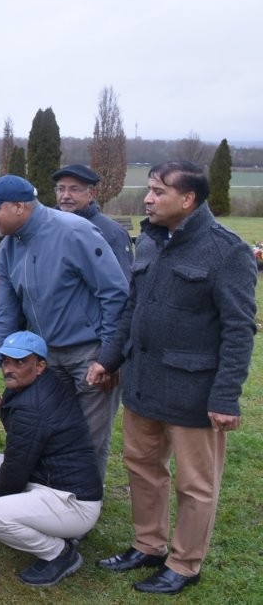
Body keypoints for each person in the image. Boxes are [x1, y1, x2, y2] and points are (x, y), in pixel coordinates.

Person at [87, 161, 256, 595]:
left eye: (158, 191)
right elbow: (133, 307)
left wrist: (225, 397)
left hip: (193, 392)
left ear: (188, 199)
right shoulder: (149, 241)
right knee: (142, 467)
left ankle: (184, 564)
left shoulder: (227, 252)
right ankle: (149, 545)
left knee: (195, 484)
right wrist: (109, 359)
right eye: (149, 189)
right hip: (142, 384)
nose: (148, 198)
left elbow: (239, 330)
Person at [0, 175, 128, 485]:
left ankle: (83, 503)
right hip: (46, 356)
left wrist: (109, 357)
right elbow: (5, 312)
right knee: (51, 430)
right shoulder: (8, 248)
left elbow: (114, 294)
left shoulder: (75, 232)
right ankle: (52, 495)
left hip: (90, 353)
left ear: (19, 207)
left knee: (89, 437)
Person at [0, 331, 102, 587]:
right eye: (5, 361)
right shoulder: (40, 384)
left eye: (19, 362)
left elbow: (17, 465)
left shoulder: (33, 404)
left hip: (75, 504)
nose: (8, 369)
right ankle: (55, 528)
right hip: (54, 482)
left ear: (40, 365)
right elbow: (28, 438)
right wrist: (0, 407)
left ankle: (59, 554)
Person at [52, 164, 132, 281]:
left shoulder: (112, 233)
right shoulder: (47, 227)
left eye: (74, 189)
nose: (65, 196)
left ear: (91, 194)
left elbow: (123, 282)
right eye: (61, 189)